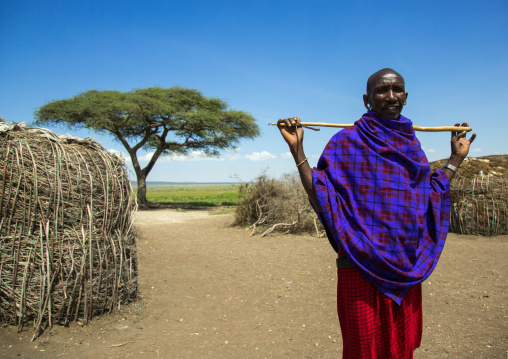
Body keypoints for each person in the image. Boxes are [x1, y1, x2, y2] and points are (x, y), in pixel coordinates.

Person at [277, 68, 476, 359]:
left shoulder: (412, 146)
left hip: (405, 266)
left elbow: (429, 193)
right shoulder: (346, 143)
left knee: (400, 348)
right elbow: (320, 192)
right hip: (359, 262)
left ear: (406, 97)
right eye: (382, 90)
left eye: (397, 90)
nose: (391, 96)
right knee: (363, 349)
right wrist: (298, 150)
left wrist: (456, 158)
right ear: (367, 99)